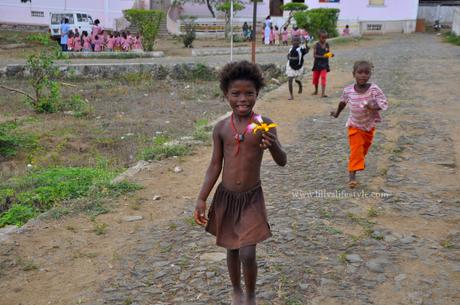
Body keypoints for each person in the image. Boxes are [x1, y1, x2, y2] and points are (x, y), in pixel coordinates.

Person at [194, 61, 287, 305]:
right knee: (232, 249)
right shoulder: (221, 129)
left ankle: (251, 293)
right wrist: (202, 197)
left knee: (248, 251)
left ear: (258, 93)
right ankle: (236, 289)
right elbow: (215, 165)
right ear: (226, 94)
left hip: (251, 198)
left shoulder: (264, 125)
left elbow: (282, 161)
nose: (242, 99)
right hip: (227, 197)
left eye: (249, 93)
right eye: (236, 94)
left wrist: (274, 145)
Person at [330, 60, 388, 188]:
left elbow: (383, 103)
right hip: (354, 125)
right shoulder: (348, 90)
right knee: (356, 149)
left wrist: (374, 106)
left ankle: (358, 161)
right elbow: (342, 103)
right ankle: (352, 177)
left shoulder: (374, 89)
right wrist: (337, 113)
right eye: (360, 72)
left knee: (363, 149)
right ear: (353, 74)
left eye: (366, 73)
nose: (363, 75)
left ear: (370, 75)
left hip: (368, 126)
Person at [312, 30, 333, 97]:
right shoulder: (316, 45)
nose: (324, 39)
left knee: (323, 77)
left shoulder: (327, 44)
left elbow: (328, 53)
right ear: (319, 37)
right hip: (317, 64)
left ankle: (323, 93)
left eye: (325, 37)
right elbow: (314, 55)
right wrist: (323, 56)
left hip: (324, 64)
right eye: (323, 37)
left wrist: (331, 55)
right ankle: (316, 90)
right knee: (315, 78)